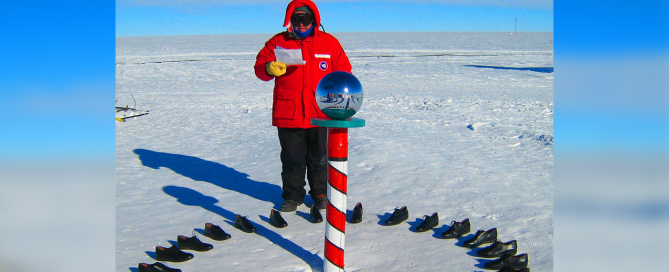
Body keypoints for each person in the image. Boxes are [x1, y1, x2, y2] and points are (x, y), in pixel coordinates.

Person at [254, 0, 352, 212]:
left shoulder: (329, 43)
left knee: (319, 158)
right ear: (290, 20)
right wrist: (268, 68)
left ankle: (320, 193)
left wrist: (339, 91)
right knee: (292, 159)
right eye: (296, 19)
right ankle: (292, 196)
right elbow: (260, 68)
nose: (301, 24)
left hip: (320, 112)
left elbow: (345, 71)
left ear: (313, 20)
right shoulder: (278, 42)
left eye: (305, 19)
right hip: (289, 113)